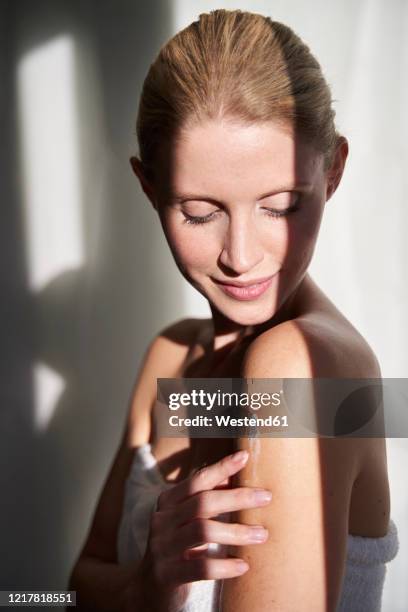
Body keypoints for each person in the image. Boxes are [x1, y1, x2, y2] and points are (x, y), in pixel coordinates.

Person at [68, 9, 399, 611]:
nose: (241, 257)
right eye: (199, 211)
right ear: (148, 188)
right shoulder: (170, 356)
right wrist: (146, 586)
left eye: (279, 205)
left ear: (334, 172)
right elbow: (69, 589)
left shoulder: (300, 365)